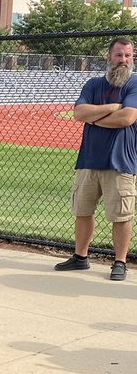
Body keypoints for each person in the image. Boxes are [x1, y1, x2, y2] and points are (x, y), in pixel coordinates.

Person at [55, 36, 137, 281]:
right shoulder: (93, 84)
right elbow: (79, 112)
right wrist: (113, 107)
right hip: (89, 160)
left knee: (121, 215)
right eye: (119, 55)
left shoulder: (134, 84)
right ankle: (81, 257)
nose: (123, 60)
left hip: (120, 162)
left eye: (128, 56)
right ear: (109, 57)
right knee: (83, 210)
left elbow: (127, 119)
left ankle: (120, 261)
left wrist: (94, 117)